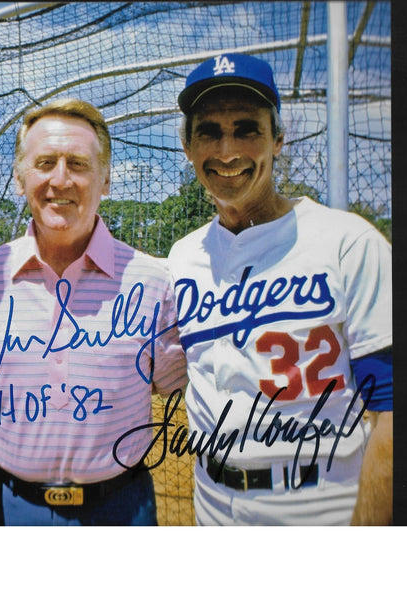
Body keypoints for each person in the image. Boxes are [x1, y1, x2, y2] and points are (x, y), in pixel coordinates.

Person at [167, 53, 393, 526]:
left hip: (320, 506)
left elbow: (392, 411)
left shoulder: (348, 242)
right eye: (208, 130)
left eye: (247, 128)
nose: (227, 150)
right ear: (188, 146)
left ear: (278, 140)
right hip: (213, 505)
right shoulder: (183, 257)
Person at [0, 98, 187, 526]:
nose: (60, 179)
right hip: (9, 509)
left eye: (79, 164)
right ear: (19, 177)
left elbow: (172, 386)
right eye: (45, 162)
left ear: (105, 179)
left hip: (122, 508)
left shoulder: (152, 282)